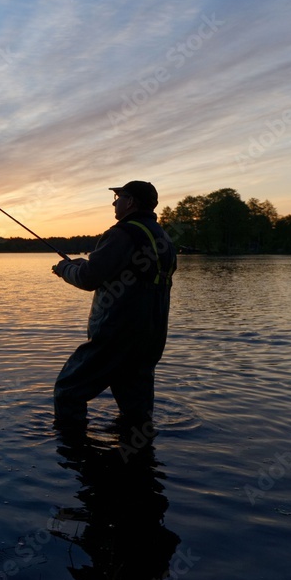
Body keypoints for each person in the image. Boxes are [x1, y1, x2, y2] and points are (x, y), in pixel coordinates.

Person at [51, 180, 176, 429]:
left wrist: (65, 268)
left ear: (130, 202)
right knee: (136, 408)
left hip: (117, 334)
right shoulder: (162, 237)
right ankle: (138, 458)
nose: (114, 203)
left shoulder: (122, 233)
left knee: (68, 389)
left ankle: (72, 454)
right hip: (151, 336)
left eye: (118, 197)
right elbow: (122, 271)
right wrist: (81, 264)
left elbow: (88, 279)